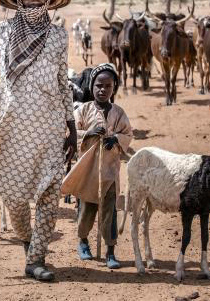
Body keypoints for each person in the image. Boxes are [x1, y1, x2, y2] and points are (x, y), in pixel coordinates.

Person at [0, 0, 76, 282]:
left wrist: (70, 128)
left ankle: (36, 259)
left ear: (48, 0)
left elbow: (63, 83)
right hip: (12, 127)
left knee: (49, 194)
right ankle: (30, 243)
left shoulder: (58, 36)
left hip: (50, 128)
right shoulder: (2, 32)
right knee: (13, 196)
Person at [63, 63, 133, 269]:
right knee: (86, 209)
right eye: (99, 85)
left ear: (113, 88)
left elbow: (128, 134)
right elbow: (72, 135)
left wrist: (116, 140)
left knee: (109, 211)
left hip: (109, 172)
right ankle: (83, 242)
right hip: (88, 171)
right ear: (92, 86)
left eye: (108, 86)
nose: (103, 90)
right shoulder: (83, 110)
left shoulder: (119, 113)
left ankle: (110, 250)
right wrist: (89, 133)